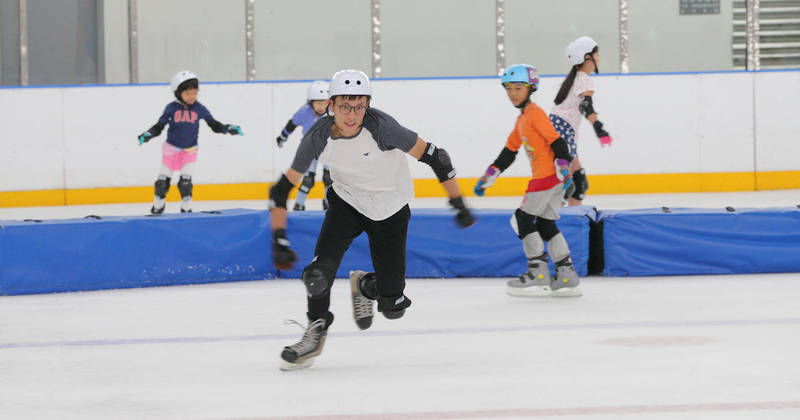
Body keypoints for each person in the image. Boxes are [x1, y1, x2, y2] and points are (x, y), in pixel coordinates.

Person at [269, 69, 476, 370]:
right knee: (317, 276)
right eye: (344, 106)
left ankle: (366, 285)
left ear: (367, 104)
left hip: (390, 209)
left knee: (392, 306)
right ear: (331, 105)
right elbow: (281, 189)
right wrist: (278, 236)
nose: (352, 115)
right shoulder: (318, 136)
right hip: (347, 203)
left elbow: (437, 157)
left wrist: (458, 202)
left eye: (359, 106)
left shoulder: (382, 128)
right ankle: (315, 331)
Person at [474, 64, 582, 298]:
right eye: (509, 89)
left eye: (518, 88)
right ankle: (566, 274)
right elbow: (509, 151)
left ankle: (538, 271)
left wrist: (563, 164)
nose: (513, 93)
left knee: (522, 220)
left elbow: (557, 141)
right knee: (545, 224)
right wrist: (490, 174)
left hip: (546, 178)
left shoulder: (535, 113)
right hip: (553, 180)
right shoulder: (522, 120)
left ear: (531, 88)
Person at [138, 70, 243, 214]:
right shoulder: (171, 108)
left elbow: (213, 124)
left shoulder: (199, 108)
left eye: (194, 93)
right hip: (170, 150)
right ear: (178, 93)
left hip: (190, 151)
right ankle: (158, 206)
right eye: (188, 94)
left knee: (185, 184)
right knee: (162, 183)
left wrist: (228, 128)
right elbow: (159, 126)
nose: (192, 97)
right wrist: (148, 134)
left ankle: (186, 210)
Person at [550, 36, 614, 206]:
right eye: (597, 54)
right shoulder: (583, 79)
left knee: (576, 183)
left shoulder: (574, 78)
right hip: (562, 133)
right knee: (570, 186)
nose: (598, 58)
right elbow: (586, 106)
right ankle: (556, 223)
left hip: (559, 130)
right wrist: (599, 128)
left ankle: (568, 221)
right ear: (587, 57)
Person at [275, 80, 332, 211]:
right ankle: (299, 205)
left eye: (325, 103)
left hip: (329, 149)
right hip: (310, 149)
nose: (322, 107)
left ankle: (328, 203)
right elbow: (292, 124)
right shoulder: (304, 112)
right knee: (308, 180)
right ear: (310, 103)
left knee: (329, 179)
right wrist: (283, 137)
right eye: (318, 103)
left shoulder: (333, 112)